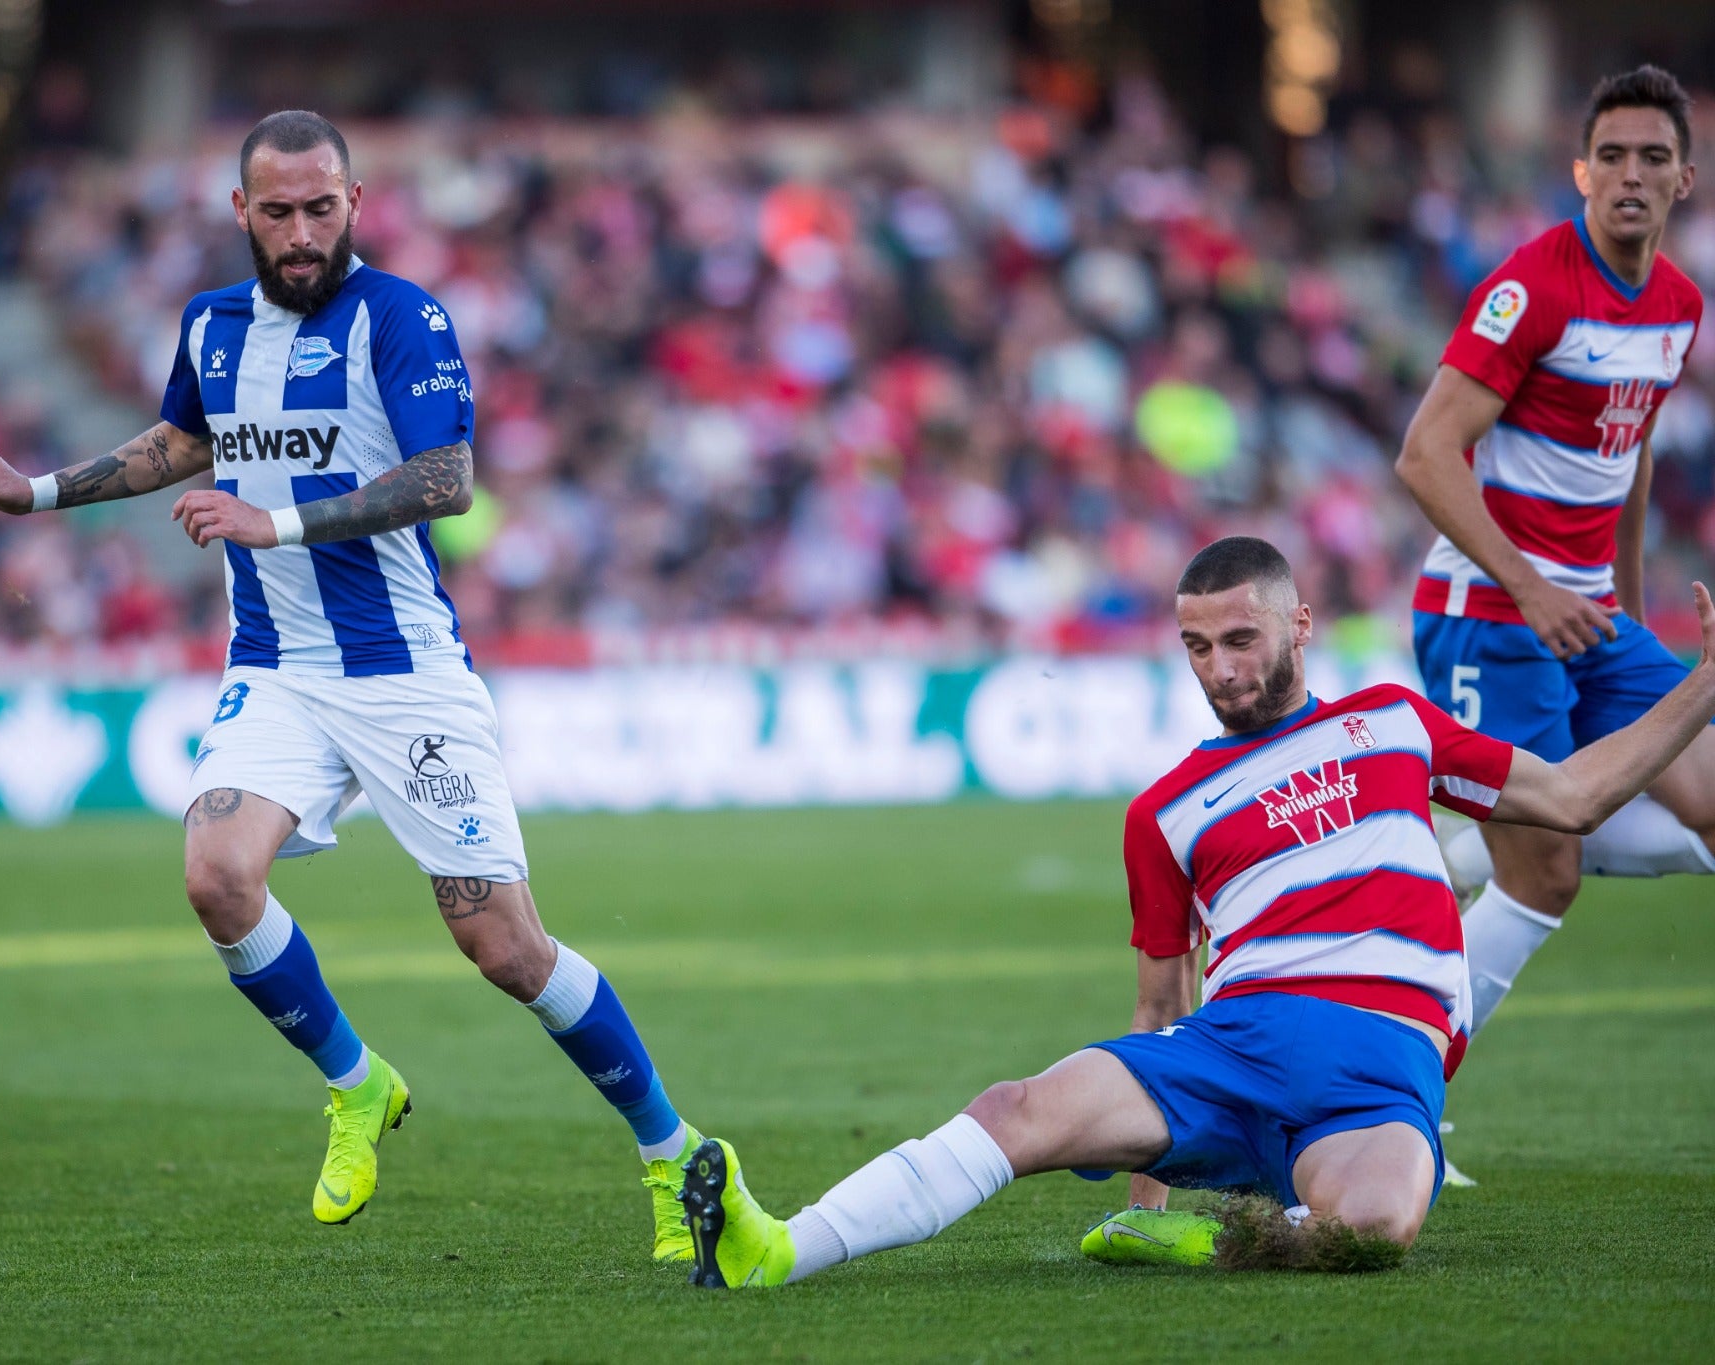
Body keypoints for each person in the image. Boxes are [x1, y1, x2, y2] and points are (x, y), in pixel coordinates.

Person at [0, 111, 704, 1253]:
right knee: (215, 875)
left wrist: (274, 523)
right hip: (278, 670)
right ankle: (356, 1083)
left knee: (504, 951)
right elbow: (180, 441)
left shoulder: (403, 319)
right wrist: (40, 492)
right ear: (239, 213)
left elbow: (445, 478)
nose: (300, 233)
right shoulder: (210, 324)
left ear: (354, 203)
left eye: (320, 208)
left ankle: (672, 1152)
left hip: (405, 676)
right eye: (277, 211)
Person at [675, 536, 1715, 1288]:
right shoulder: (1163, 809)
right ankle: (776, 1247)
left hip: (1376, 1064)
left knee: (1375, 1233)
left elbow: (1573, 797)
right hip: (1229, 1046)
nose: (1220, 668)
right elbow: (1158, 1000)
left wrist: (1704, 682)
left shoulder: (1393, 724)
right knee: (1013, 1107)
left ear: (1297, 625)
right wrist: (1144, 1200)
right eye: (1196, 647)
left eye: (1239, 638)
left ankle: (1259, 1225)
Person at [1396, 65, 1710, 1039]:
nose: (1628, 174)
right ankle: (1401, 1104)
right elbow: (1422, 455)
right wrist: (1531, 590)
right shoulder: (1530, 288)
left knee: (1703, 798)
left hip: (1585, 614)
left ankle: (1481, 847)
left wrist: (1621, 598)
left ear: (1681, 180)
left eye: (1650, 157)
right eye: (1608, 156)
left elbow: (1629, 451)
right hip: (1487, 619)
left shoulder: (1676, 304)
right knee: (1549, 879)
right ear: (1579, 174)